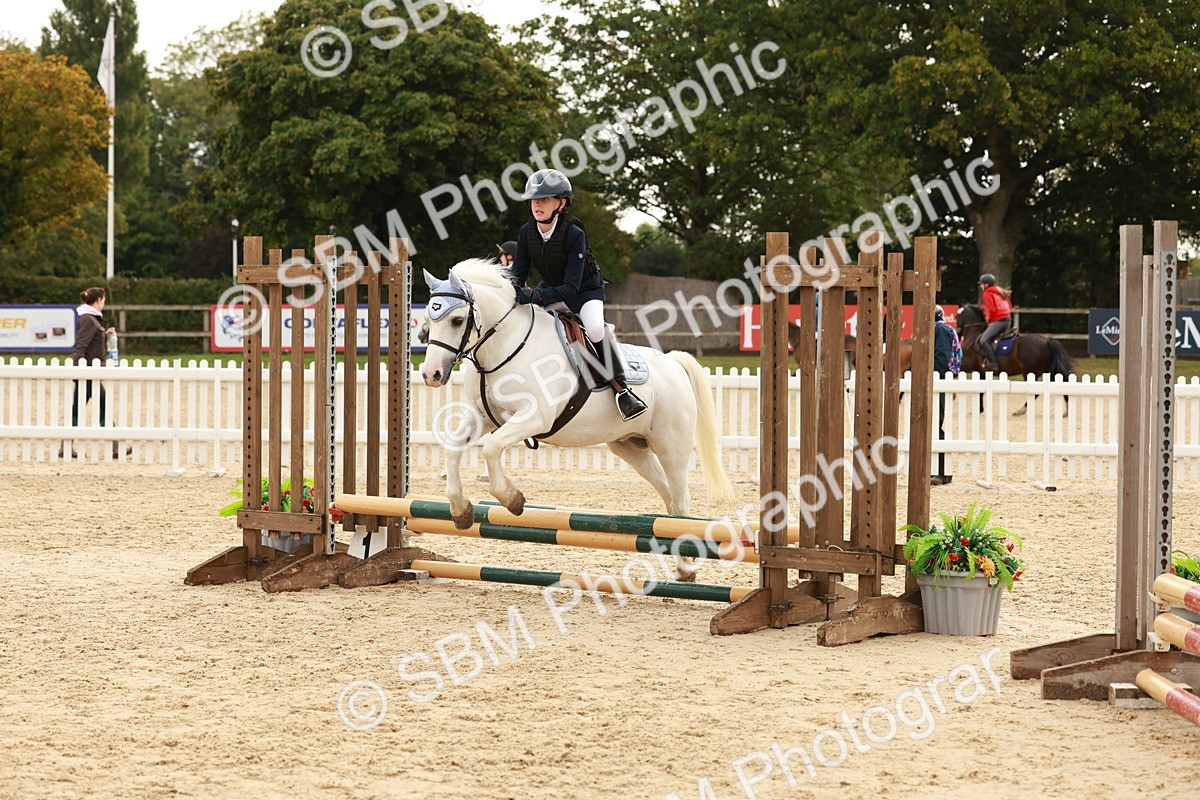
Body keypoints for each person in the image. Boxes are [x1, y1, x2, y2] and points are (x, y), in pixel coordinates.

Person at [510, 168, 647, 420]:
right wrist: (512, 291)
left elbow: (571, 288)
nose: (537, 205)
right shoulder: (526, 232)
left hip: (584, 291)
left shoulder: (574, 233)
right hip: (551, 288)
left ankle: (622, 390)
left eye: (545, 199)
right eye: (534, 200)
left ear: (561, 203)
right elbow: (518, 273)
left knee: (594, 329)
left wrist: (536, 296)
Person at [63, 287, 123, 459]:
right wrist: (78, 370)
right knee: (103, 406)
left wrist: (104, 336)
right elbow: (81, 346)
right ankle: (115, 447)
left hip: (88, 372)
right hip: (88, 373)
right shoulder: (89, 319)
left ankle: (65, 446)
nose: (104, 303)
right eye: (103, 300)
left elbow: (90, 343)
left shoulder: (91, 318)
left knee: (77, 409)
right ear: (98, 300)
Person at [931, 305, 962, 486]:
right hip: (939, 380)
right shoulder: (940, 328)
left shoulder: (940, 330)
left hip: (939, 381)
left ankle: (942, 472)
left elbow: (941, 359)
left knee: (936, 425)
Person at [975, 273, 1012, 371]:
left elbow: (992, 310)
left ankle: (993, 363)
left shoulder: (987, 293)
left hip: (999, 321)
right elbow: (1010, 306)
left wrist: (989, 320)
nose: (981, 286)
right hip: (1008, 320)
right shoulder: (999, 291)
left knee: (983, 340)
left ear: (986, 284)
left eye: (981, 284)